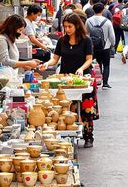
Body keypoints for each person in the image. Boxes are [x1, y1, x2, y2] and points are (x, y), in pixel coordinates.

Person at [40, 13, 99, 147]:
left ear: (77, 26)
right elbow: (55, 59)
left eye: (69, 26)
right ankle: (67, 135)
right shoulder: (62, 41)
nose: (67, 29)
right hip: (65, 79)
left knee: (86, 109)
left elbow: (89, 59)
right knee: (66, 108)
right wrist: (47, 64)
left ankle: (88, 136)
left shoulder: (86, 40)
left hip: (82, 78)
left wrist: (81, 69)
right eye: (65, 26)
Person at [86, 3, 116, 89]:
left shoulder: (89, 21)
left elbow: (86, 33)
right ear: (102, 10)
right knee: (106, 64)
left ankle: (93, 81)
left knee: (90, 64)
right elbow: (112, 35)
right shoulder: (107, 22)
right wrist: (113, 44)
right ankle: (105, 83)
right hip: (105, 46)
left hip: (92, 47)